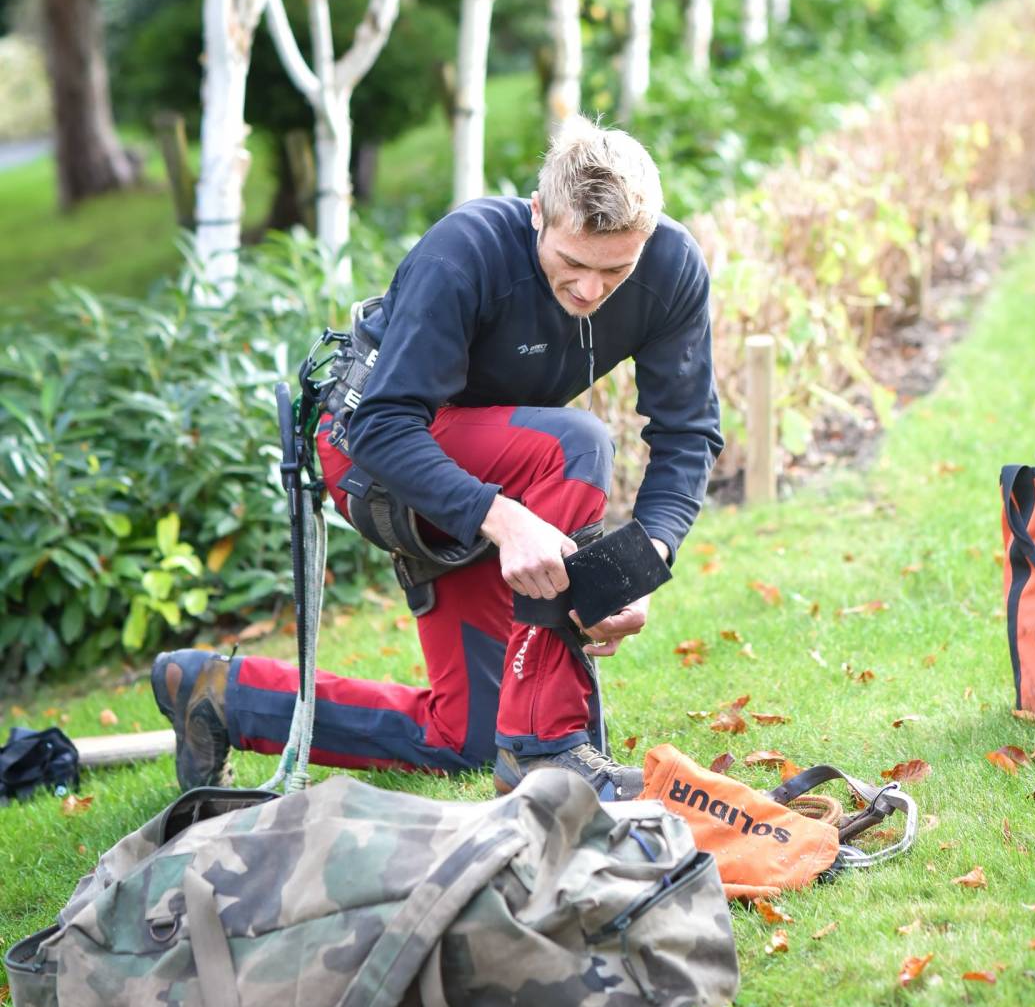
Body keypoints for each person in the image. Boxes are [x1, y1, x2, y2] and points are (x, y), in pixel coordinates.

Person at [153, 117, 723, 802]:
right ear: (538, 213)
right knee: (577, 443)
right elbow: (382, 426)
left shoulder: (671, 268)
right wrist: (503, 519)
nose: (590, 291)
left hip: (499, 467)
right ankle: (547, 749)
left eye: (615, 270)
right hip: (378, 453)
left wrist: (642, 563)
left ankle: (219, 696)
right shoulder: (468, 251)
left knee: (471, 736)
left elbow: (688, 431)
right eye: (572, 264)